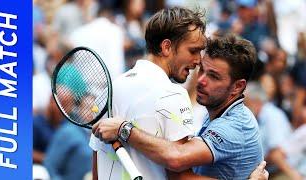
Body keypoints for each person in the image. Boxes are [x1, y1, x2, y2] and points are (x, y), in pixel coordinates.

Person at [93, 33, 265, 179]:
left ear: (237, 87)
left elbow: (177, 160)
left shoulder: (234, 127)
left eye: (214, 76)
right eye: (202, 70)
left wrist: (124, 129)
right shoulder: (215, 112)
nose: (201, 80)